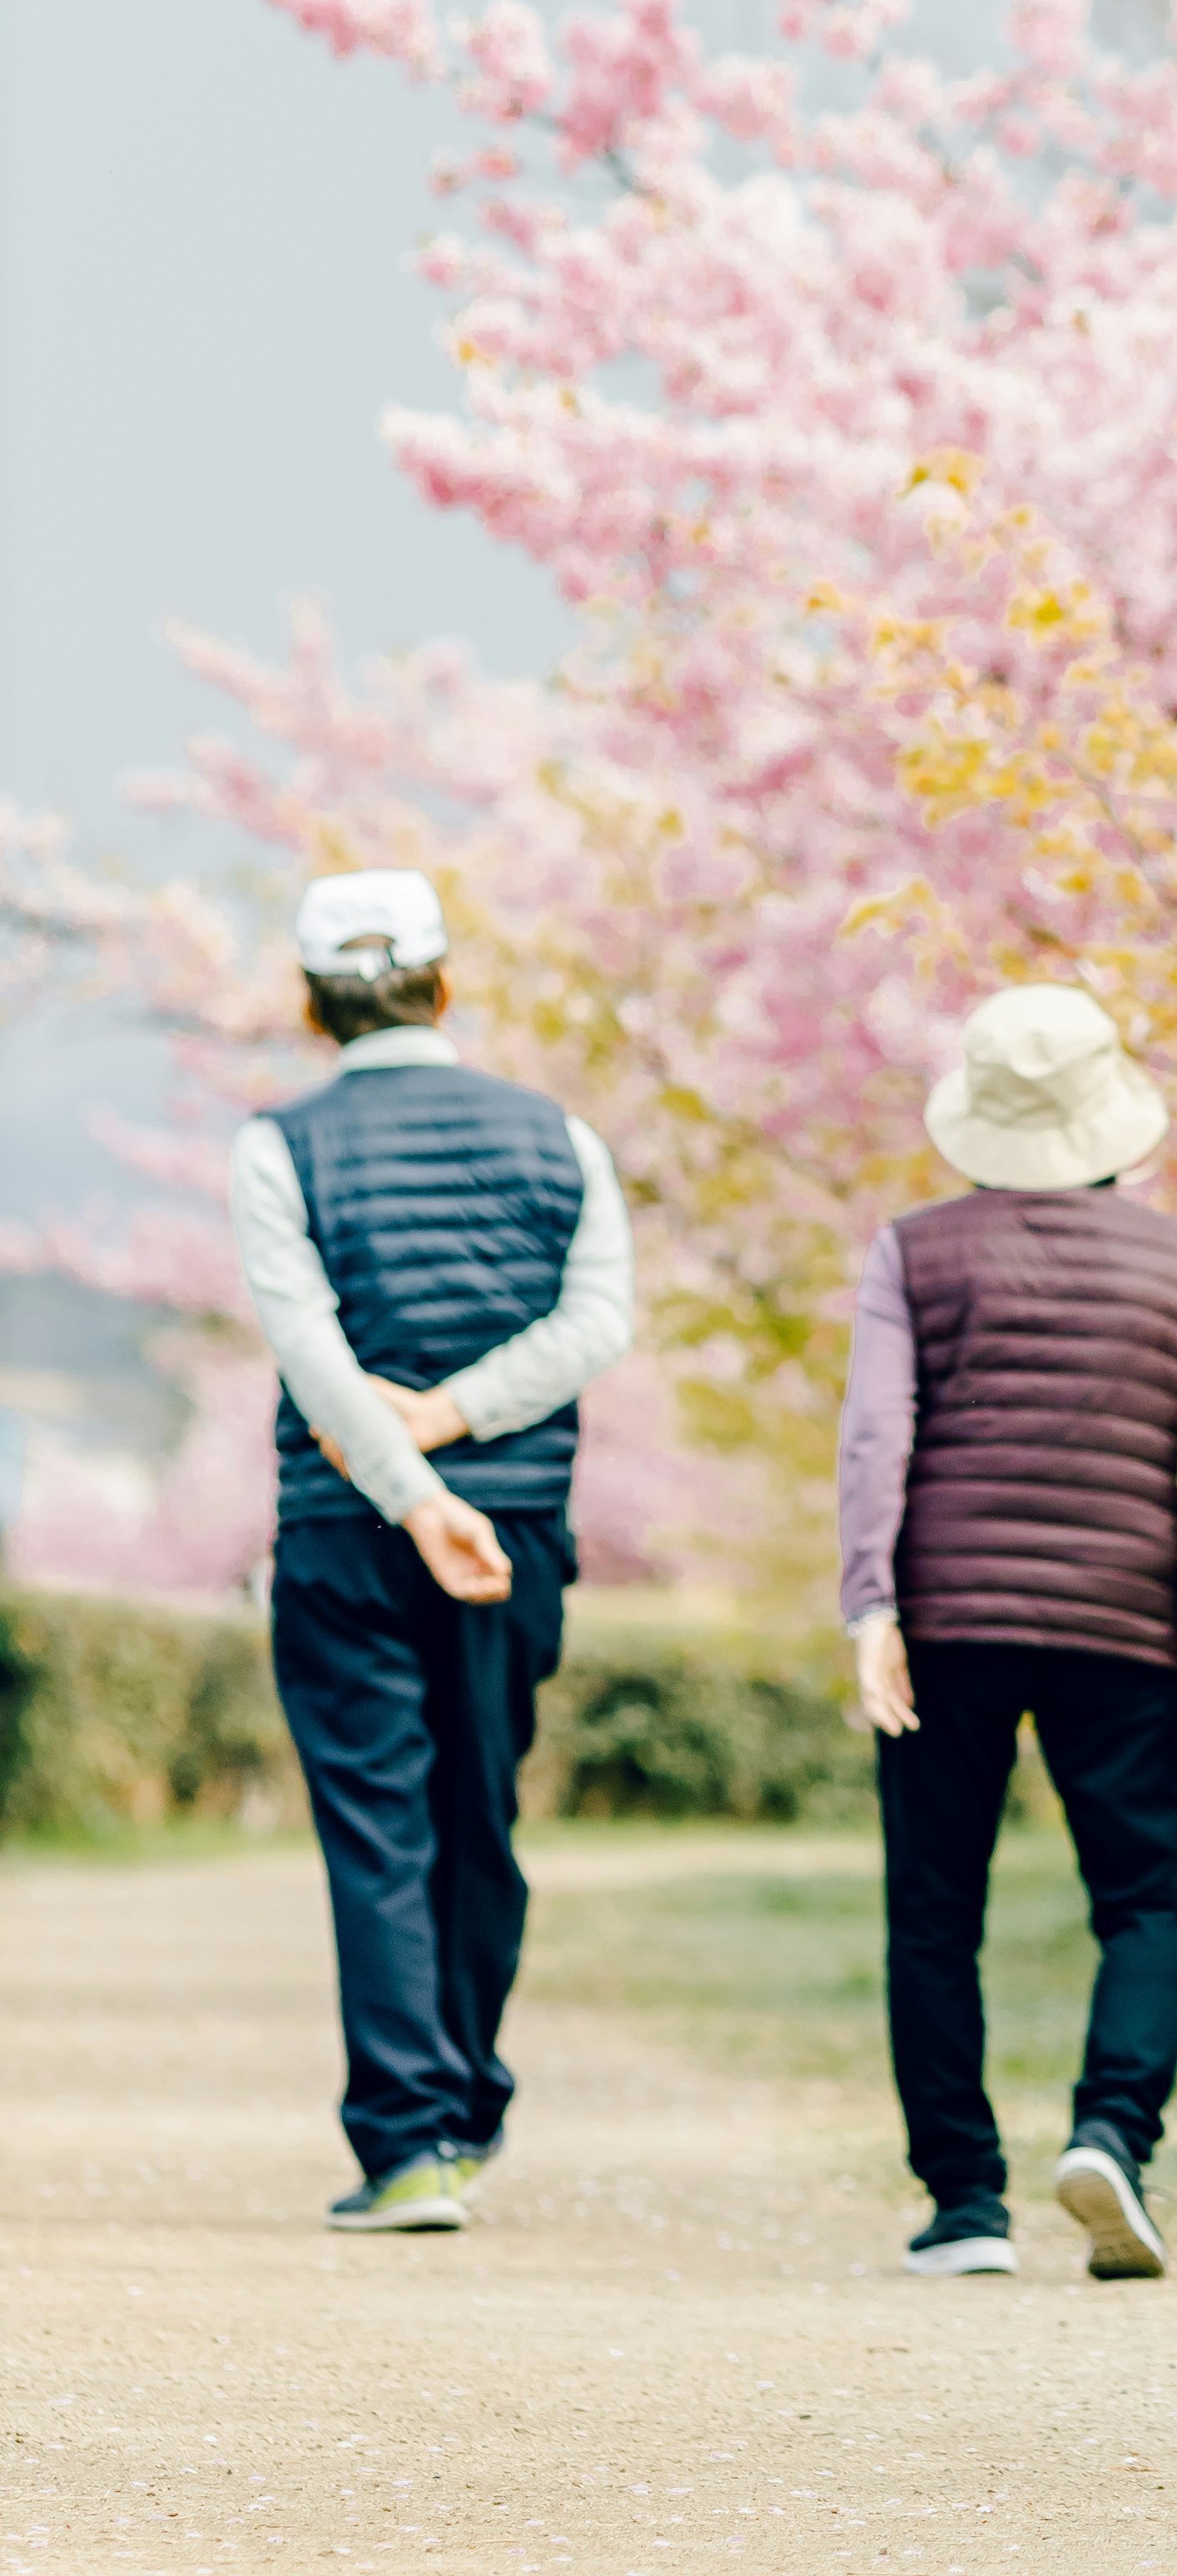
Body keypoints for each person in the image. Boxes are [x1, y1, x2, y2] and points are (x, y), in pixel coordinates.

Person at [837, 980, 1177, 2285]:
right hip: (1121, 1619)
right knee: (1143, 1901)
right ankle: (1113, 2136)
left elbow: (874, 1435)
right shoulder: (1176, 1257)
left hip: (950, 1617)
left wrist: (870, 1602)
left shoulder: (912, 1250)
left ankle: (964, 2205)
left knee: (933, 1911)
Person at [227, 869, 635, 2234]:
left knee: (378, 1831)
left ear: (309, 1003)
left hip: (346, 1534)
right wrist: (461, 1440)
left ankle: (408, 2141)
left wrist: (406, 1481)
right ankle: (463, 2106)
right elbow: (598, 1327)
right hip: (511, 1525)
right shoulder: (561, 1135)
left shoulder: (277, 1148)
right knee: (480, 1816)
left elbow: (312, 1354)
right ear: (446, 986)